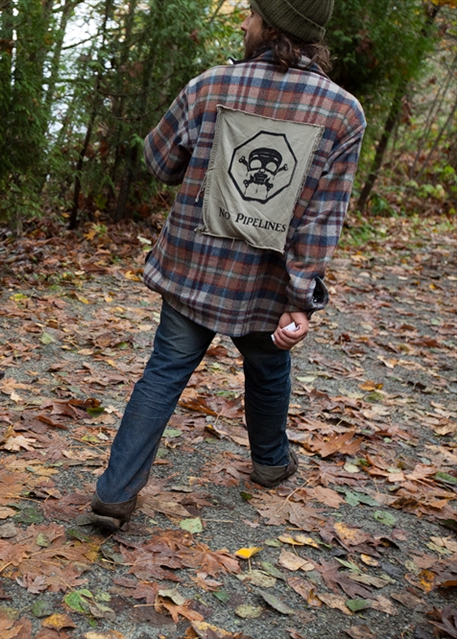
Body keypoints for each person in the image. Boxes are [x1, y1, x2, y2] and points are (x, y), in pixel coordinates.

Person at [83, 0, 366, 532]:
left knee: (163, 374)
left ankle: (116, 492)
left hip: (192, 271)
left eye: (252, 11)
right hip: (266, 285)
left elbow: (159, 161)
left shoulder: (209, 85)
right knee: (268, 368)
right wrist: (300, 299)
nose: (243, 21)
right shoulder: (343, 112)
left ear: (273, 25)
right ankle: (271, 465)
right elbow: (323, 220)